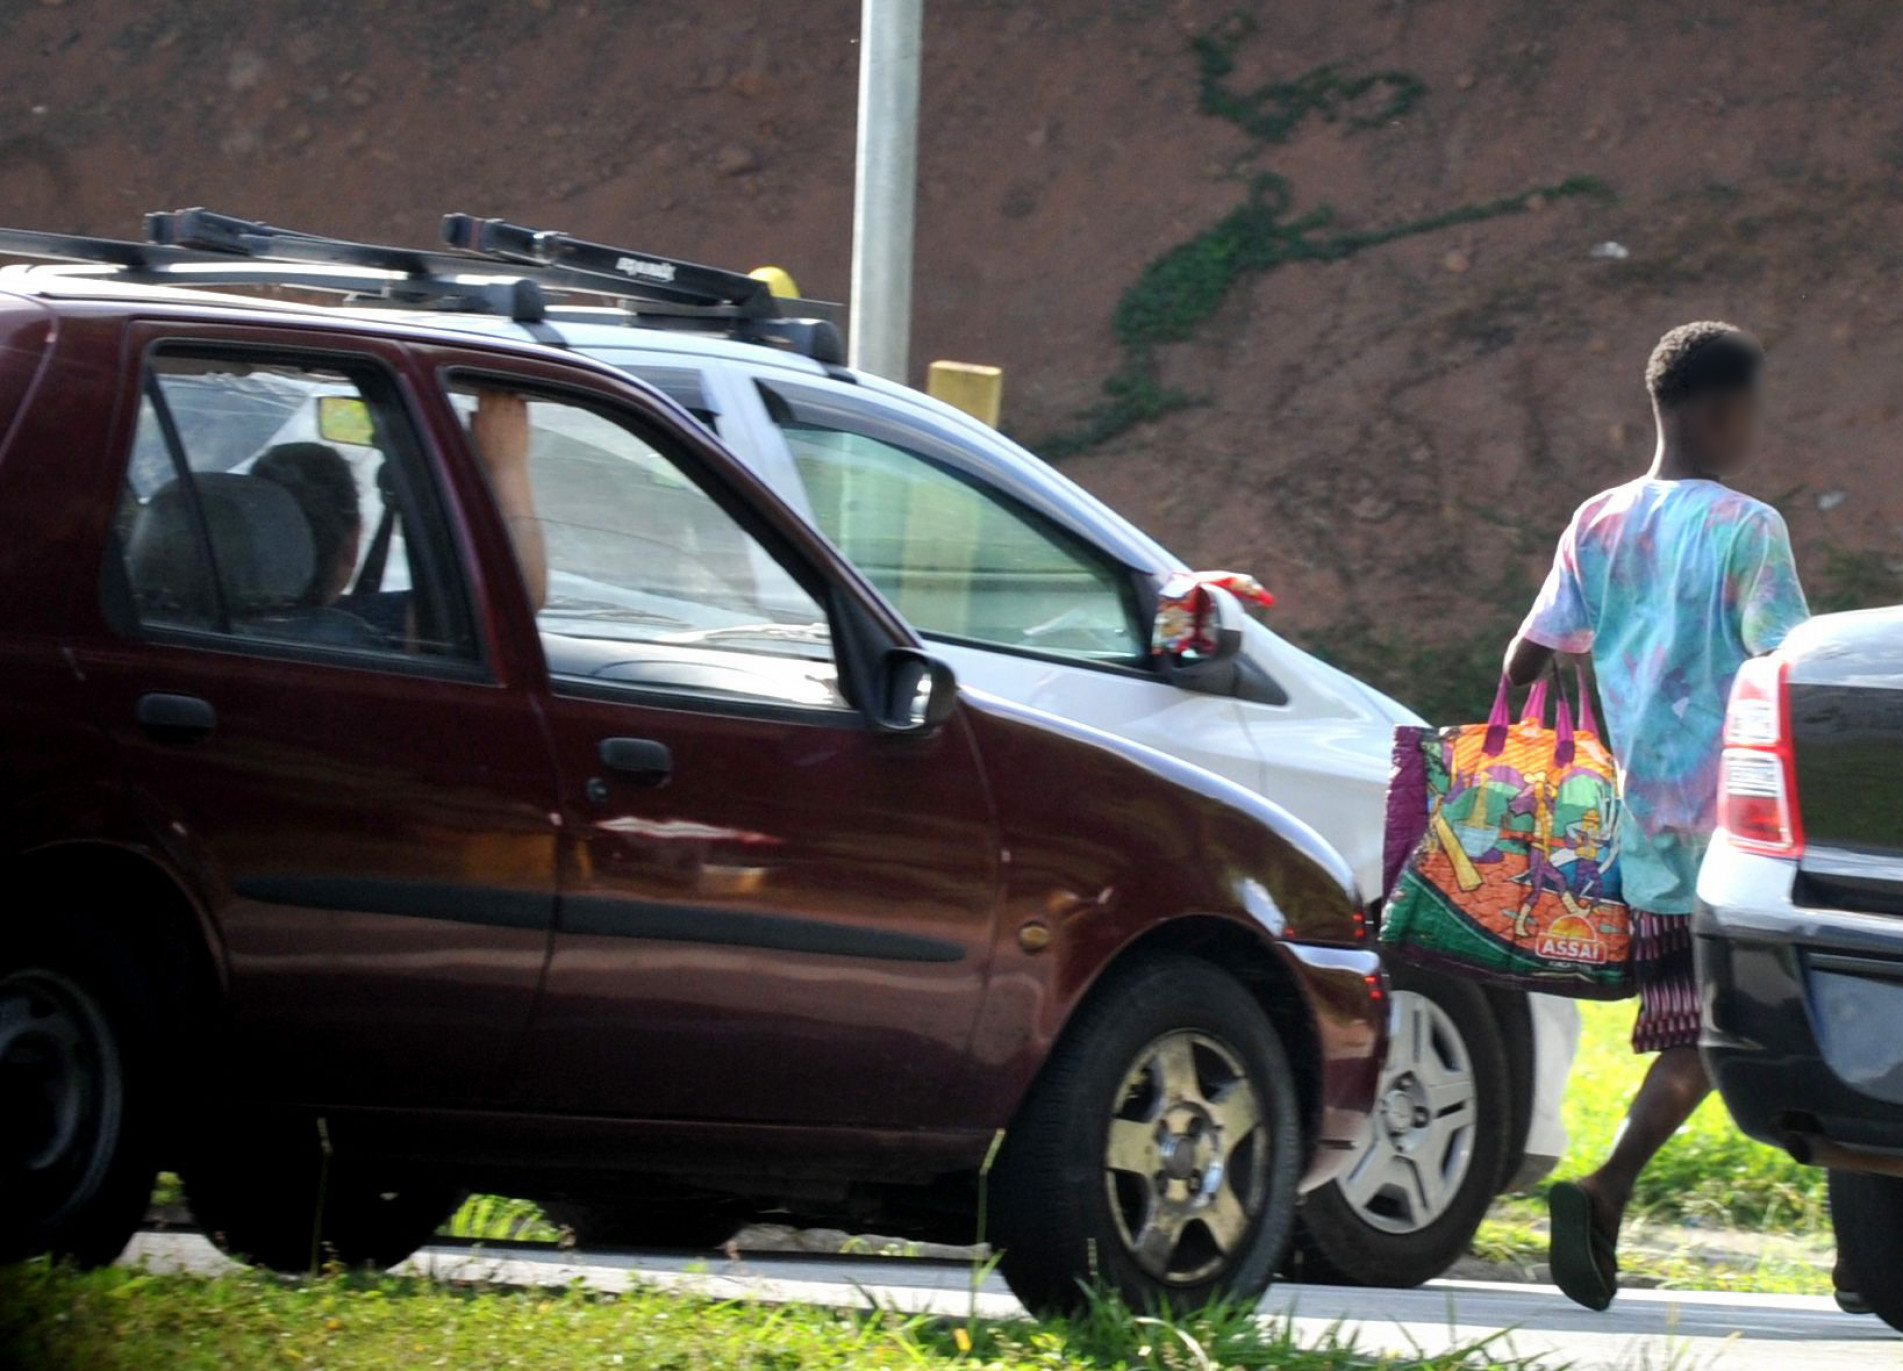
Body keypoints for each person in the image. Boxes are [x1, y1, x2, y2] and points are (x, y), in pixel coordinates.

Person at [1502, 322, 1811, 1311]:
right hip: (1737, 828)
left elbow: (1531, 651)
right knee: (1748, 1026)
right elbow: (1787, 663)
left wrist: (1508, 764)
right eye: (1751, 411)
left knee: (1713, 1027)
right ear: (1720, 410)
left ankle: (1857, 1251)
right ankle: (1606, 1185)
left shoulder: (1597, 520)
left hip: (1639, 831)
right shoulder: (1745, 529)